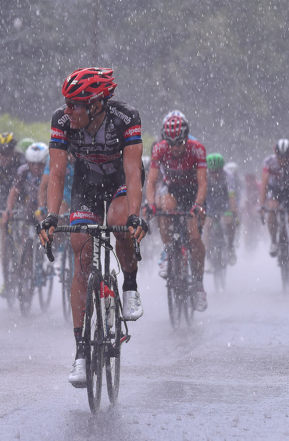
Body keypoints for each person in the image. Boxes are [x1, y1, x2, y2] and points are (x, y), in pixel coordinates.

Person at [36, 67, 148, 388]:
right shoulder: (62, 121)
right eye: (67, 104)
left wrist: (134, 216)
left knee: (118, 223)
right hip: (87, 184)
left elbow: (132, 172)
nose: (68, 111)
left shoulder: (125, 118)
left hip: (120, 182)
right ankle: (81, 354)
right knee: (82, 255)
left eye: (75, 105)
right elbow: (57, 174)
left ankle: (129, 285)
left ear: (96, 104)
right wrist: (51, 217)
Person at [144, 110, 208, 311]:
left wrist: (197, 205)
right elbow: (152, 181)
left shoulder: (197, 149)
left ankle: (198, 285)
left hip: (193, 192)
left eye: (178, 143)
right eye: (170, 144)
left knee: (195, 238)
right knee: (164, 209)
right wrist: (150, 204)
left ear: (186, 138)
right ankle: (169, 250)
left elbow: (203, 183)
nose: (174, 148)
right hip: (173, 190)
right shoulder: (160, 149)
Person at [260, 139, 289, 276]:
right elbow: (265, 184)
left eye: (285, 157)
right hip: (276, 192)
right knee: (272, 207)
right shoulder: (269, 162)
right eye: (280, 156)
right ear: (275, 153)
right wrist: (262, 205)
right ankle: (273, 241)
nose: (282, 160)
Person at [0, 132, 25, 287]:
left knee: (24, 231)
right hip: (4, 198)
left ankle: (24, 257)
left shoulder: (21, 160)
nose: (4, 157)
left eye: (7, 153)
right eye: (1, 153)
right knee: (4, 233)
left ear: (13, 151)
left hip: (22, 195)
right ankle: (6, 278)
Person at [204, 153, 239, 265]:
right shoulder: (204, 175)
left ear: (222, 169)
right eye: (212, 171)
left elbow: (232, 196)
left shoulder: (228, 176)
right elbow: (201, 195)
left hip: (225, 202)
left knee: (229, 222)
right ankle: (208, 255)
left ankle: (230, 246)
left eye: (218, 171)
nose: (215, 174)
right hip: (210, 202)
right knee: (207, 225)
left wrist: (233, 213)